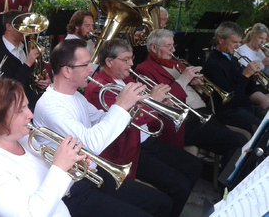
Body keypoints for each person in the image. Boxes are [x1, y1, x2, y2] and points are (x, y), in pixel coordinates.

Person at [34, 38, 173, 217]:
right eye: (85, 65)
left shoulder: (75, 96)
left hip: (91, 175)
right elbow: (91, 143)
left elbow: (100, 119)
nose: (91, 69)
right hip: (72, 189)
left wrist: (131, 110)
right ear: (67, 71)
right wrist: (121, 106)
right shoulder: (51, 106)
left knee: (162, 202)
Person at [85, 39, 202, 217]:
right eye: (126, 59)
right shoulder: (100, 88)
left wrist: (162, 103)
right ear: (109, 62)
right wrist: (153, 102)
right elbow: (126, 123)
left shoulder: (128, 79)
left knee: (195, 166)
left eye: (131, 58)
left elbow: (146, 114)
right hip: (128, 151)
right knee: (179, 186)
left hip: (147, 142)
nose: (131, 64)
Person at [0, 78, 87, 216]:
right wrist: (59, 168)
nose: (30, 114)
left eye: (27, 106)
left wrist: (69, 170)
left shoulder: (22, 138)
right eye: (20, 111)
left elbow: (50, 193)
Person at [135, 29, 248, 175]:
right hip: (184, 120)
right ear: (154, 48)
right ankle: (227, 186)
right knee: (237, 141)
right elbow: (164, 100)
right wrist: (184, 79)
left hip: (202, 113)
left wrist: (199, 86)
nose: (173, 50)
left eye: (173, 45)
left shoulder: (176, 64)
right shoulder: (145, 69)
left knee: (239, 141)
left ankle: (229, 178)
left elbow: (198, 94)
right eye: (168, 46)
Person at [203, 21, 267, 134]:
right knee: (262, 131)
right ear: (220, 39)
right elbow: (230, 97)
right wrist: (245, 75)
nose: (238, 46)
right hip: (228, 111)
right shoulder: (213, 64)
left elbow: (246, 91)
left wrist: (252, 78)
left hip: (244, 106)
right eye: (234, 42)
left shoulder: (232, 59)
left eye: (239, 42)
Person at [0, 10, 51, 112]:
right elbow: (7, 91)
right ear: (9, 27)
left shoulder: (26, 47)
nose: (26, 30)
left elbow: (32, 78)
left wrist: (44, 82)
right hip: (16, 109)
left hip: (36, 101)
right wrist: (27, 64)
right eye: (21, 26)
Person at [235, 23, 269, 109]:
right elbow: (247, 73)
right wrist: (263, 64)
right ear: (252, 36)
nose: (263, 42)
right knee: (265, 101)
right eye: (260, 38)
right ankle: (259, 120)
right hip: (249, 86)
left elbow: (265, 73)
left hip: (261, 85)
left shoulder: (261, 52)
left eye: (265, 39)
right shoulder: (242, 51)